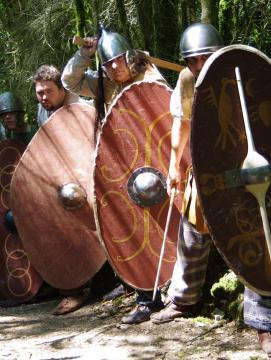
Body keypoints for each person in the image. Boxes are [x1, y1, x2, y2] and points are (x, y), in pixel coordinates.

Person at [149, 22, 271, 358]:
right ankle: (184, 299)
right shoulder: (187, 81)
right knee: (193, 231)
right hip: (211, 173)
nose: (199, 66)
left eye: (205, 58)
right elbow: (181, 124)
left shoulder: (243, 71)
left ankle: (263, 321)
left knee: (256, 238)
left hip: (257, 170)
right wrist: (175, 166)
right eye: (193, 61)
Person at [62, 25, 166, 323]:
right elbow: (69, 80)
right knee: (131, 232)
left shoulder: (149, 75)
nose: (112, 67)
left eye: (116, 60)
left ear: (128, 56)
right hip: (122, 164)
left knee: (162, 229)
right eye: (106, 63)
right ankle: (145, 297)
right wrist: (85, 54)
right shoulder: (103, 84)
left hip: (155, 160)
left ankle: (170, 291)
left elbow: (164, 109)